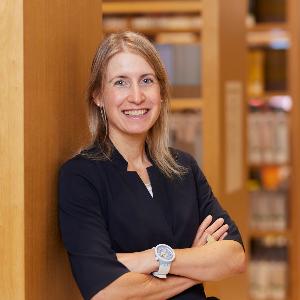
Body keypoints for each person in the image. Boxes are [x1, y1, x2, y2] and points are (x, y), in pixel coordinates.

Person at [59, 31, 246, 300]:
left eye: (146, 80)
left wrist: (150, 260)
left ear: (160, 91)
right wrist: (196, 262)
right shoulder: (80, 177)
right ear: (98, 95)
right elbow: (106, 292)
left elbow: (234, 257)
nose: (137, 96)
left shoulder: (183, 167)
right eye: (121, 82)